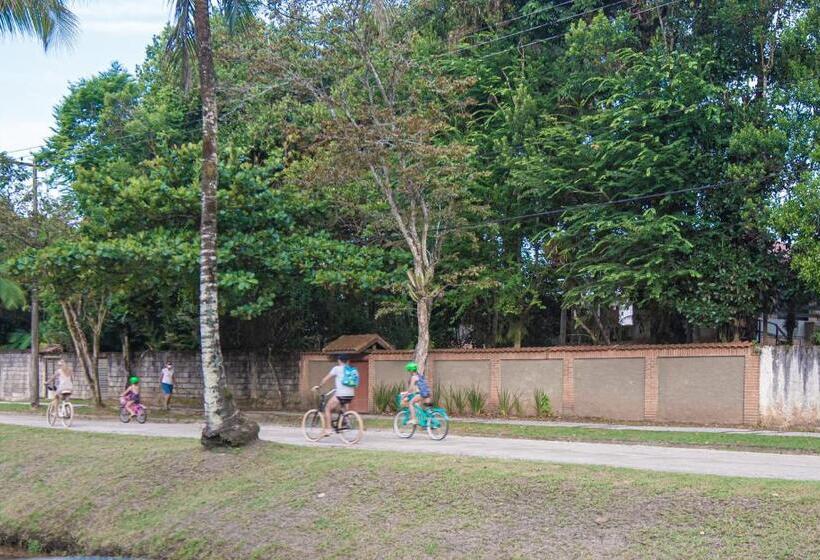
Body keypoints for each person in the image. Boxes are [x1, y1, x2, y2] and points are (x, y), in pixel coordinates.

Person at [312, 355, 356, 438]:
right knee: (342, 407)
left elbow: (326, 379)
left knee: (327, 408)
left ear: (339, 361)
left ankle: (328, 430)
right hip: (350, 394)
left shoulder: (337, 368)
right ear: (347, 361)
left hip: (340, 394)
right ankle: (345, 421)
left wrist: (319, 386)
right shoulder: (351, 369)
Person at [400, 361, 431, 425]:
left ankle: (414, 419)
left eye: (409, 370)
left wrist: (405, 395)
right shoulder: (421, 376)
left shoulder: (413, 377)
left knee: (411, 403)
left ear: (411, 370)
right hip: (427, 393)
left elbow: (410, 389)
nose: (409, 372)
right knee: (425, 409)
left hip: (422, 394)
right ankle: (428, 423)